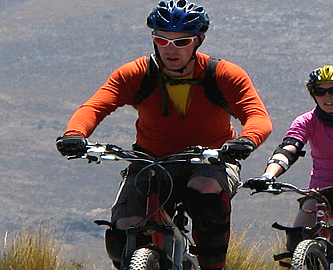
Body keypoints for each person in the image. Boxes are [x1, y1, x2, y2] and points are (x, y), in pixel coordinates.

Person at [54, 1, 272, 269]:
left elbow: (257, 116)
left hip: (210, 160)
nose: (170, 49)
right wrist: (75, 134)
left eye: (181, 42)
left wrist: (246, 140)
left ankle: (211, 266)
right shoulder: (137, 73)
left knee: (206, 192)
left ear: (198, 41)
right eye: (162, 40)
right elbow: (96, 105)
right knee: (123, 230)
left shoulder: (223, 74)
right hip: (152, 160)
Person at [244, 65, 333, 270]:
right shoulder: (306, 121)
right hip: (323, 191)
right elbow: (288, 149)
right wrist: (268, 176)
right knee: (296, 240)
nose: (327, 97)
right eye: (320, 91)